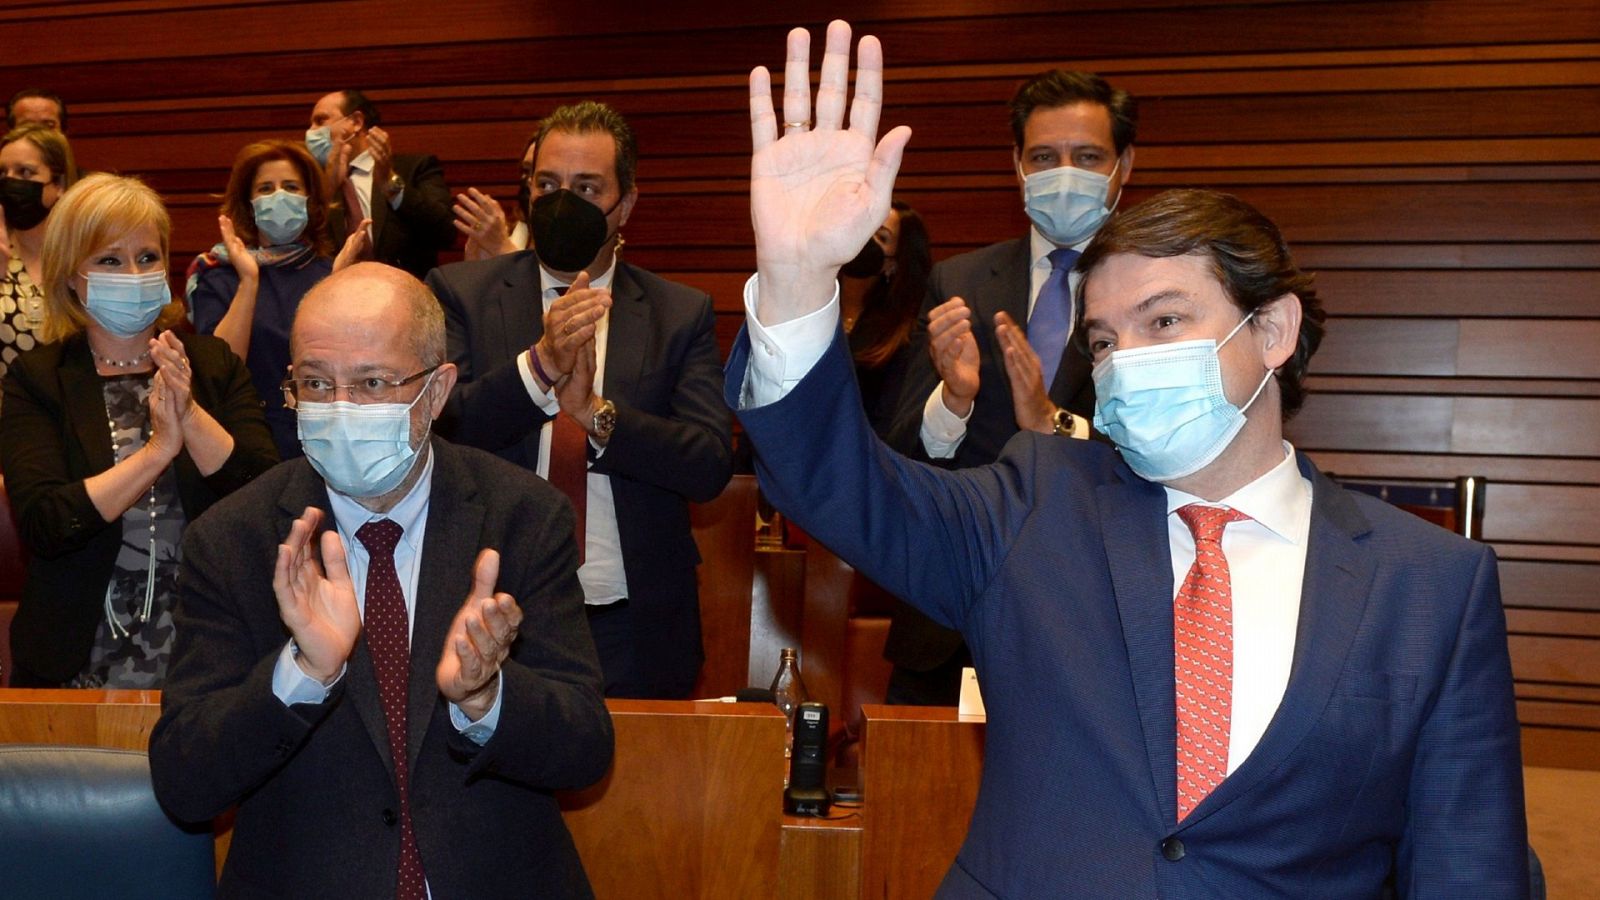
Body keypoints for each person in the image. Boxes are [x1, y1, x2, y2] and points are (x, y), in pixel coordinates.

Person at [731, 21, 1526, 897]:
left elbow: (1469, 865)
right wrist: (796, 279)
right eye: (1105, 341)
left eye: (1165, 321)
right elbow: (836, 483)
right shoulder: (1034, 505)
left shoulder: (1432, 585)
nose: (1125, 362)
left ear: (1272, 330)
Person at [148, 262, 613, 899]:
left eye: (371, 383)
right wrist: (299, 675)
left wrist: (488, 697)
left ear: (437, 391)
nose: (340, 409)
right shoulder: (234, 538)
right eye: (316, 383)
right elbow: (185, 783)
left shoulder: (523, 517)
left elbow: (585, 749)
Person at [429, 101, 733, 699]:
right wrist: (539, 370)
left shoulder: (678, 313)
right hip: (490, 613)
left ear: (626, 204)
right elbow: (441, 430)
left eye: (587, 188)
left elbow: (707, 464)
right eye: (547, 185)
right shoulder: (462, 293)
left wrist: (594, 415)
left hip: (633, 622)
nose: (561, 203)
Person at [880, 68, 1138, 706]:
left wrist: (1055, 422)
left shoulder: (1158, 290)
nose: (1064, 174)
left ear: (1123, 166)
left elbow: (1178, 455)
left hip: (1095, 617)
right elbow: (900, 450)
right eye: (1044, 157)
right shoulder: (959, 281)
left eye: (1087, 157)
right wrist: (953, 402)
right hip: (950, 618)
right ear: (1017, 165)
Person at [0, 173, 277, 688]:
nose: (133, 273)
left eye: (147, 257)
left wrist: (189, 415)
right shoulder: (38, 379)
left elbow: (264, 498)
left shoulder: (212, 365)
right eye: (110, 260)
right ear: (70, 276)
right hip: (77, 659)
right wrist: (156, 452)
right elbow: (47, 523)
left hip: (211, 653)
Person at [187, 139, 367, 459]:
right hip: (245, 439)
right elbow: (219, 370)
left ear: (310, 201)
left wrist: (337, 285)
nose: (279, 196)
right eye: (266, 189)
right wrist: (249, 281)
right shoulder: (219, 276)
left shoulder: (330, 271)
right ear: (249, 204)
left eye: (291, 187)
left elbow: (347, 364)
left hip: (323, 439)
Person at [306, 90, 455, 278]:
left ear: (356, 122)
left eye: (320, 121)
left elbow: (445, 233)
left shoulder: (414, 168)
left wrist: (391, 186)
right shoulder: (313, 182)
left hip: (404, 290)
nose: (310, 132)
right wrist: (327, 190)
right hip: (337, 290)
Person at [840, 199, 928, 437]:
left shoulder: (901, 335)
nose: (864, 240)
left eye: (881, 237)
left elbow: (889, 421)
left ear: (892, 264)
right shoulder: (815, 303)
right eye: (863, 227)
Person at [0, 124, 77, 387]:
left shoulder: (82, 258)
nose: (10, 181)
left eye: (25, 172)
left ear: (59, 184)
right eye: (3, 173)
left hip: (71, 407)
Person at [454, 132, 537, 260]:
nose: (528, 180)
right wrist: (474, 262)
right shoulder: (513, 230)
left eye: (538, 171)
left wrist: (501, 247)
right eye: (526, 171)